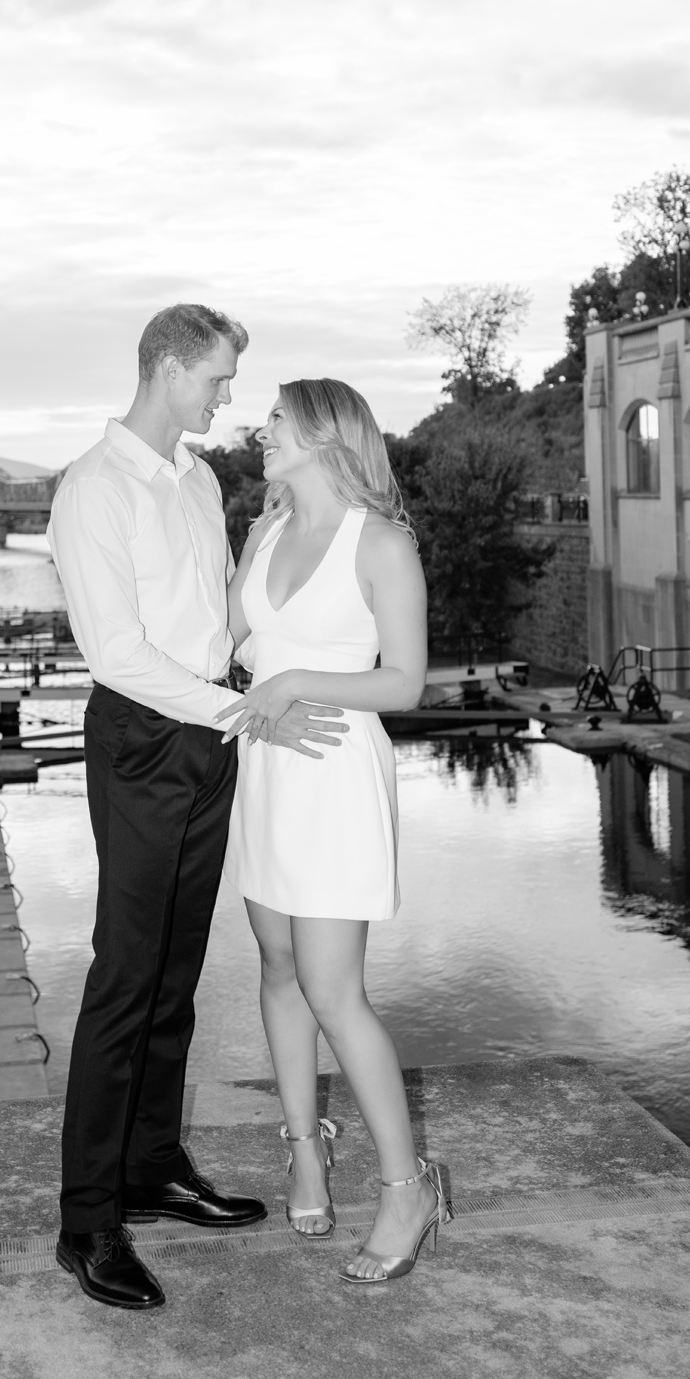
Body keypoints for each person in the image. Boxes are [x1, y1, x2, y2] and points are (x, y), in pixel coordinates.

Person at [46, 307, 347, 1311]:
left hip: (212, 732)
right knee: (125, 976)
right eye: (217, 378)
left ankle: (151, 1164)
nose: (227, 397)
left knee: (175, 969)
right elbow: (118, 653)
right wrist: (240, 710)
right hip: (143, 736)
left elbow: (218, 616)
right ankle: (87, 1221)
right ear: (169, 366)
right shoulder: (94, 490)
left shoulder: (200, 478)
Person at [218, 378, 447, 1284]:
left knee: (331, 988)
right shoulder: (266, 530)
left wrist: (293, 683)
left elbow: (405, 681)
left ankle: (407, 1187)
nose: (261, 432)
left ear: (322, 432)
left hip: (335, 773)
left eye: (274, 421)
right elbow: (225, 641)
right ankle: (304, 1148)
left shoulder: (382, 543)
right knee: (275, 964)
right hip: (267, 769)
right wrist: (253, 690)